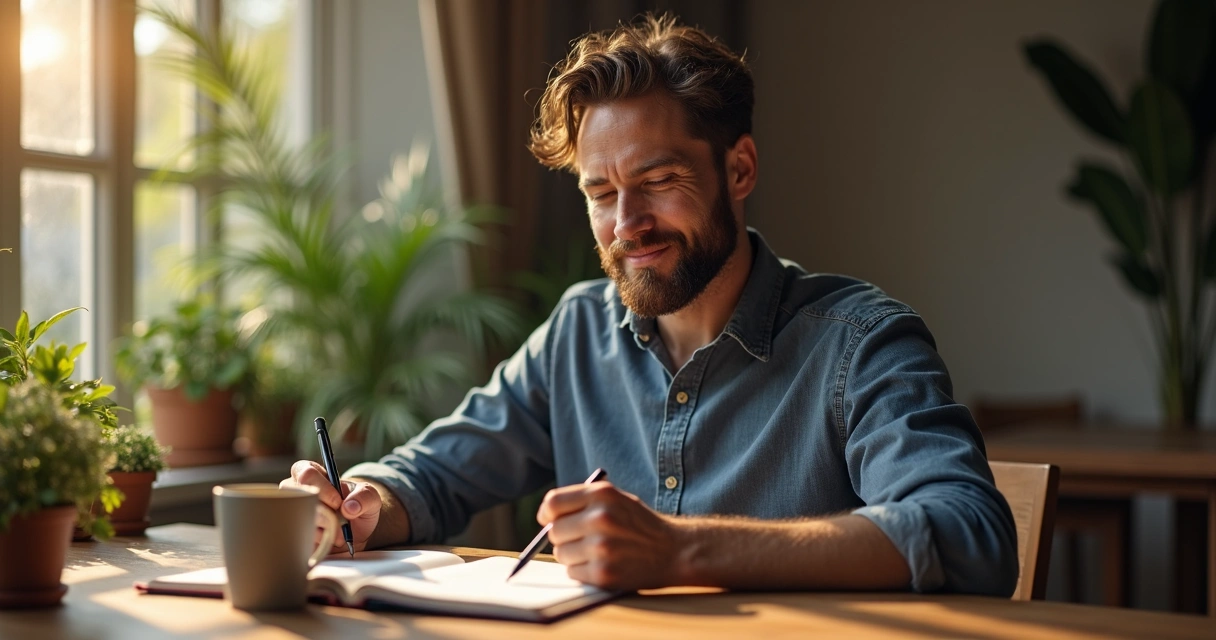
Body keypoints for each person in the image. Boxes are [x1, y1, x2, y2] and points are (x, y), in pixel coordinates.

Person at [282, 14, 1018, 596]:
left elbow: (969, 532)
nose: (625, 222)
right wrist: (367, 501)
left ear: (739, 169)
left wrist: (679, 547)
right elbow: (435, 477)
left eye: (658, 180)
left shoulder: (860, 342)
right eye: (600, 192)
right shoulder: (577, 331)